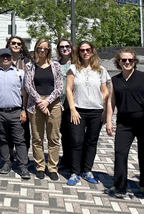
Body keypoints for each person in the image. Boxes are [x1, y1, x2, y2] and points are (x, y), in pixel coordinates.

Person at [105, 47, 144, 199]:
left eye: (131, 60)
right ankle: (120, 185)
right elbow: (111, 102)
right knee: (120, 153)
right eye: (124, 60)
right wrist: (109, 121)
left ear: (135, 62)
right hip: (124, 122)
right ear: (118, 62)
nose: (127, 62)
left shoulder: (143, 76)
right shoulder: (115, 80)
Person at [65, 41, 109, 186]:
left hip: (96, 111)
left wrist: (104, 110)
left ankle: (87, 170)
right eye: (82, 50)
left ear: (92, 51)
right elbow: (69, 90)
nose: (85, 52)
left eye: (88, 49)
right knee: (77, 141)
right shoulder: (73, 69)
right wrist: (72, 109)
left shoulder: (100, 70)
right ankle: (75, 172)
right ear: (79, 52)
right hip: (78, 110)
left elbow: (105, 91)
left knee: (91, 142)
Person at [0, 48, 30, 179]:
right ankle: (6, 162)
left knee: (19, 140)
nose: (5, 58)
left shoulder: (19, 73)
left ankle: (23, 165)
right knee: (3, 139)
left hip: (15, 111)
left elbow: (24, 93)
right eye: (3, 56)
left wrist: (23, 109)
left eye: (8, 56)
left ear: (11, 58)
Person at [24, 39, 64, 181]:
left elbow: (59, 87)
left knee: (54, 137)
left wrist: (47, 101)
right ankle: (40, 166)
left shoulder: (56, 66)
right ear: (36, 49)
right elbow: (28, 86)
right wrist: (40, 102)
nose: (42, 50)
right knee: (37, 137)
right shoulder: (29, 66)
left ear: (48, 50)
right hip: (35, 104)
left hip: (53, 103)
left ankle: (52, 167)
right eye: (40, 48)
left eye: (45, 49)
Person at [7, 35, 31, 151]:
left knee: (24, 128)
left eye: (18, 44)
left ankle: (23, 155)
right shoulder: (4, 59)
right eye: (13, 43)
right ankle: (9, 154)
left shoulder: (27, 61)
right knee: (9, 130)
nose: (16, 45)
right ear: (9, 45)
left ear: (22, 47)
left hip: (24, 98)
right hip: (9, 98)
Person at [56, 38, 74, 170]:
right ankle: (66, 159)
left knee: (74, 133)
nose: (65, 49)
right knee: (63, 132)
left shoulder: (76, 64)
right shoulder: (55, 65)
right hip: (58, 102)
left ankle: (75, 160)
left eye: (67, 46)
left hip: (73, 103)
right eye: (62, 47)